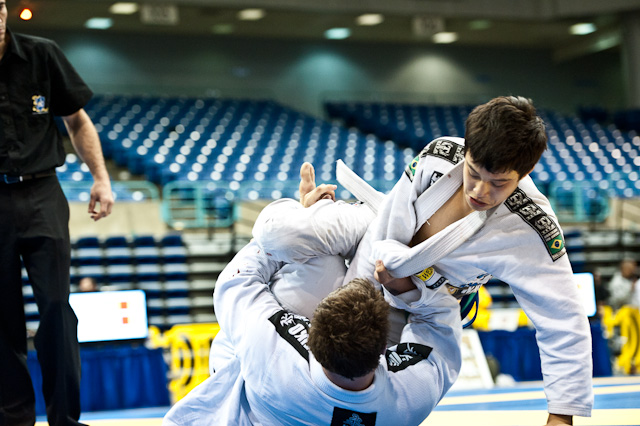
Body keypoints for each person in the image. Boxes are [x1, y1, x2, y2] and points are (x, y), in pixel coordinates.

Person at [254, 96, 593, 425]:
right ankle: (309, 210)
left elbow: (563, 319)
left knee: (349, 381)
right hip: (370, 240)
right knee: (280, 234)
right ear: (467, 150)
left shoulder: (531, 229)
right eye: (473, 173)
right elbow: (388, 222)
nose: (479, 192)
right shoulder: (440, 154)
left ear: (526, 171)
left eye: (499, 183)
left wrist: (561, 415)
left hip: (421, 304)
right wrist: (314, 224)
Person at [164, 239, 462, 426]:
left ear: (310, 336)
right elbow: (441, 331)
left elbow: (234, 282)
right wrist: (407, 288)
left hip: (246, 393)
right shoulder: (409, 399)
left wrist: (283, 239)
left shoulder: (272, 357)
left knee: (320, 260)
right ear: (383, 349)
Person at [0, 2, 114, 425]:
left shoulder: (42, 54)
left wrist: (100, 178)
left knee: (56, 308)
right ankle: (13, 418)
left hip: (43, 192)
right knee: (2, 315)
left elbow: (78, 121)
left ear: (5, 10)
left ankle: (65, 418)